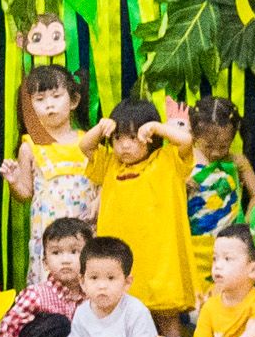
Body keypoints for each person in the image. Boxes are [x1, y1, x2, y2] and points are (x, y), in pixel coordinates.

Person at [85, 97, 199, 321]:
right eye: (118, 138)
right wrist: (100, 128)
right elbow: (85, 146)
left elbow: (186, 141)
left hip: (160, 261)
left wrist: (158, 127)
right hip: (121, 260)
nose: (124, 145)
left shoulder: (167, 159)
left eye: (133, 137)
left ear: (150, 137)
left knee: (167, 316)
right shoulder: (110, 163)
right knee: (121, 319)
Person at [42, 234, 166, 337]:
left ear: (127, 282)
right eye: (94, 278)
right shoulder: (82, 311)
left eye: (111, 278)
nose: (102, 286)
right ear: (82, 282)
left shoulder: (135, 309)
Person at [2, 65, 100, 242]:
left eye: (56, 96)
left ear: (74, 101)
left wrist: (99, 200)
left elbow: (103, 181)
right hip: (48, 235)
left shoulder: (89, 142)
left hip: (87, 230)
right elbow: (25, 193)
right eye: (40, 99)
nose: (49, 104)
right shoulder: (29, 147)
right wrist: (14, 181)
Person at [180, 100, 255, 299]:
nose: (216, 152)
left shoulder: (237, 162)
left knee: (228, 293)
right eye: (208, 146)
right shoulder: (184, 162)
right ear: (193, 135)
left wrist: (245, 225)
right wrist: (180, 185)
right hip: (194, 246)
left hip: (229, 243)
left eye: (224, 146)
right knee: (197, 298)